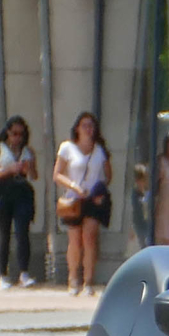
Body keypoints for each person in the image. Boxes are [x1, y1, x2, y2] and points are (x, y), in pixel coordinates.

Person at [54, 112, 112, 296]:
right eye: (84, 125)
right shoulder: (67, 148)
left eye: (91, 126)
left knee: (89, 238)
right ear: (77, 128)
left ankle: (88, 281)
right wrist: (73, 186)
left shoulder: (99, 149)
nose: (88, 129)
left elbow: (108, 175)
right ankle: (73, 279)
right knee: (74, 240)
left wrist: (99, 190)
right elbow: (57, 174)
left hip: (92, 199)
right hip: (73, 199)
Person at [0, 116, 38, 289]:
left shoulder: (28, 151)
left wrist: (28, 169)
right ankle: (2, 274)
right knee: (3, 234)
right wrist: (7, 169)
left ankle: (24, 272)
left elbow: (35, 175)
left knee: (22, 232)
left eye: (21, 134)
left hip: (21, 190)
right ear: (7, 132)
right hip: (2, 190)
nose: (17, 138)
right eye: (14, 133)